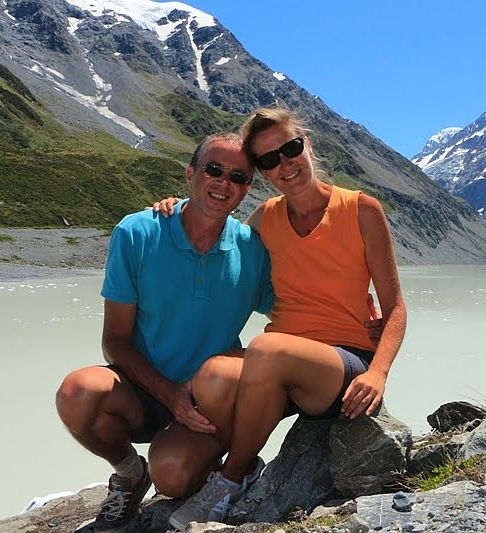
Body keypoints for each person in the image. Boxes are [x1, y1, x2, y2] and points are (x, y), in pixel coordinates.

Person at [155, 106, 407, 529]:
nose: (285, 164)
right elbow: (218, 234)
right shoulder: (266, 218)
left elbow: (395, 305)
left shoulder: (361, 210)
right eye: (269, 160)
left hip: (342, 364)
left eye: (290, 149)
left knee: (266, 348)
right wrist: (179, 206)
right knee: (215, 374)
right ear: (263, 174)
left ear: (307, 144)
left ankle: (229, 479)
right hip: (277, 365)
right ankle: (242, 463)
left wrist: (378, 373)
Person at [55, 132, 275, 533]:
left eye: (238, 177)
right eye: (213, 169)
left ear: (246, 190)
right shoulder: (137, 232)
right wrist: (169, 395)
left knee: (172, 475)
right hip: (143, 386)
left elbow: (292, 316)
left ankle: (231, 463)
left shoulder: (254, 250)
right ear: (190, 173)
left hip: (208, 398)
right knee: (78, 393)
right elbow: (115, 340)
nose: (224, 182)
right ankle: (129, 473)